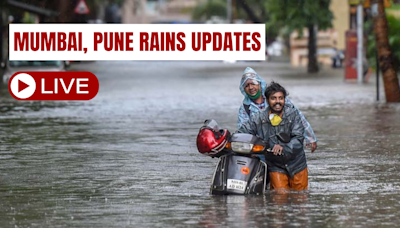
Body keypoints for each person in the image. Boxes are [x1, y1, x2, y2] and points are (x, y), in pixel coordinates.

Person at [238, 82, 308, 191]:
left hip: (297, 164)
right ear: (267, 100)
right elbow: (243, 132)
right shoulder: (259, 117)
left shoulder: (293, 114)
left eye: (280, 98)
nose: (277, 102)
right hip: (275, 165)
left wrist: (284, 147)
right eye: (273, 98)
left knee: (300, 199)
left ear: (284, 99)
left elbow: (298, 138)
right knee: (279, 199)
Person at [238, 67, 317, 152]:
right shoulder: (244, 109)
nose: (250, 87)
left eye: (253, 83)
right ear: (243, 89)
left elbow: (298, 117)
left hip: (285, 145)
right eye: (246, 85)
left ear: (260, 84)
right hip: (261, 149)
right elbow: (243, 131)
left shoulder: (278, 98)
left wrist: (310, 137)